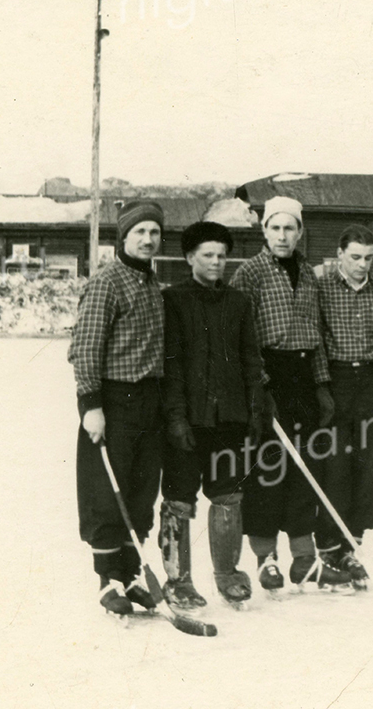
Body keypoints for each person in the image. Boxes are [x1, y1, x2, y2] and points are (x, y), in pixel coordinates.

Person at [230, 196, 350, 590]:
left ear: (300, 232)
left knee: (305, 469)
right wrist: (258, 388)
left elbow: (314, 334)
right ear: (264, 231)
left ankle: (304, 559)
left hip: (302, 378)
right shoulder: (250, 274)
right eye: (275, 228)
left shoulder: (308, 274)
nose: (283, 236)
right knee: (267, 470)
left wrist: (320, 386)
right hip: (268, 378)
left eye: (290, 228)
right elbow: (241, 340)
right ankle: (267, 559)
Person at [159, 221, 263, 608]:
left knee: (228, 496)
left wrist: (255, 409)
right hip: (187, 419)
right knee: (179, 501)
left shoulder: (238, 303)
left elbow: (251, 360)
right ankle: (179, 579)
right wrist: (175, 418)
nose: (217, 262)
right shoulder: (172, 301)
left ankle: (227, 574)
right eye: (208, 255)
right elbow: (169, 365)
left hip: (229, 420)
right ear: (190, 258)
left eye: (222, 255)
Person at [69, 200, 166, 615]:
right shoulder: (107, 282)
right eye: (139, 232)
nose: (148, 239)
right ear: (123, 237)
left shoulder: (151, 283)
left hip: (150, 402)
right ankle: (108, 580)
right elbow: (86, 347)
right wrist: (91, 404)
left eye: (154, 232)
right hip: (114, 401)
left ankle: (130, 575)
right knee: (107, 493)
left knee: (141, 493)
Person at [315, 225, 373, 588]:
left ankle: (353, 544)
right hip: (337, 380)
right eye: (356, 257)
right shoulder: (323, 286)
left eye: (369, 258)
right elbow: (316, 338)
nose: (363, 265)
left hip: (372, 382)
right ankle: (329, 546)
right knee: (336, 467)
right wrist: (322, 386)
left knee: (366, 466)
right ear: (341, 254)